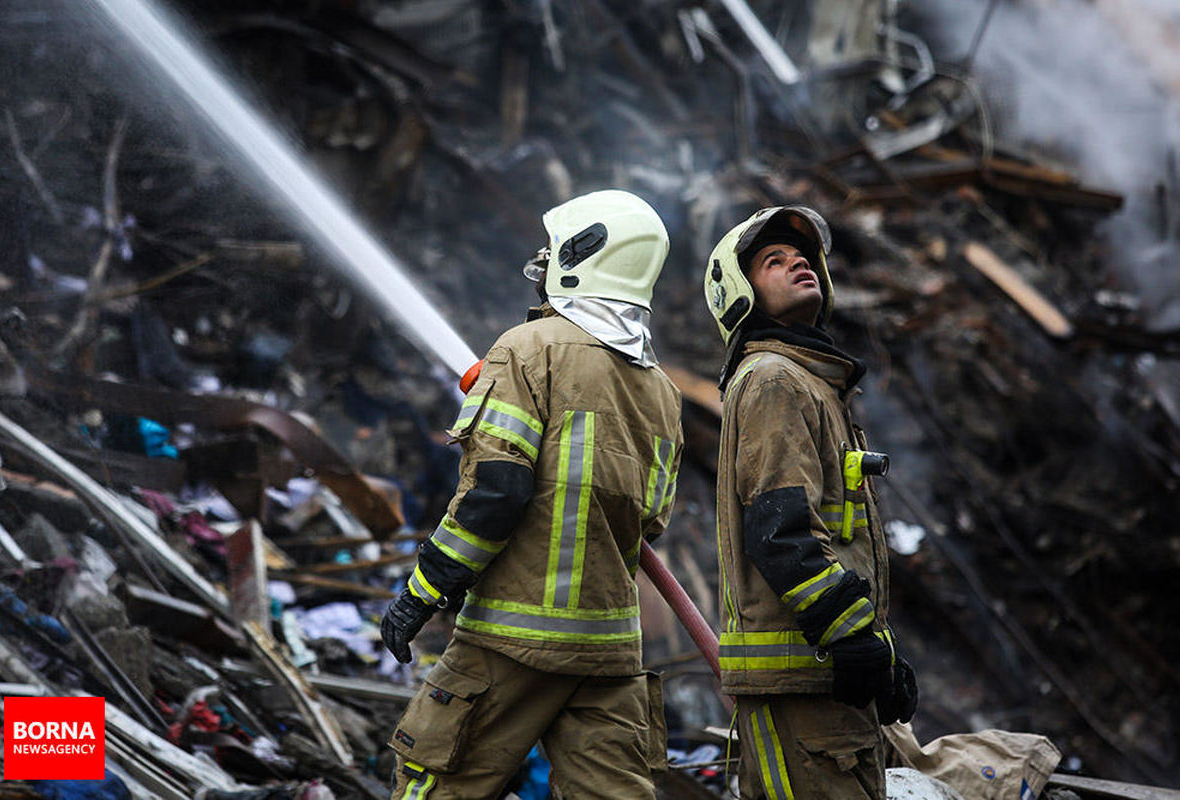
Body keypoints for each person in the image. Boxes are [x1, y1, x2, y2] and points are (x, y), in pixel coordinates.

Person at [381, 189, 683, 799]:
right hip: (609, 655)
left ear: (583, 257)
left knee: (436, 786)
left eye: (552, 251)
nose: (541, 264)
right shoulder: (663, 392)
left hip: (510, 645)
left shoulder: (527, 350)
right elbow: (651, 521)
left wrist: (422, 591)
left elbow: (495, 493)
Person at [702, 206, 917, 800]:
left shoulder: (814, 384)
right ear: (739, 295)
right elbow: (782, 533)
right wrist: (851, 636)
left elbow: (842, 542)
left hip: (819, 681)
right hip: (797, 685)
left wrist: (881, 653)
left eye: (802, 256)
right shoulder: (775, 380)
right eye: (773, 260)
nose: (798, 262)